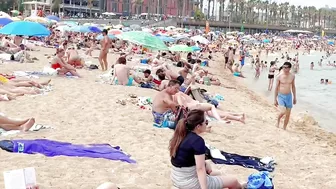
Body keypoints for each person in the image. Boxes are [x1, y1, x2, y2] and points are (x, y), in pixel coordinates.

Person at [169, 109, 244, 189]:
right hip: (189, 182)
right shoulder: (197, 141)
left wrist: (206, 164)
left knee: (216, 172)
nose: (207, 125)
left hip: (176, 178)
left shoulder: (181, 135)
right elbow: (200, 169)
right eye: (206, 122)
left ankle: (240, 185)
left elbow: (189, 160)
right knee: (233, 181)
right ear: (198, 126)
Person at [274, 62, 296, 130]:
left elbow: (293, 87)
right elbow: (276, 87)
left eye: (286, 67)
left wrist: (295, 97)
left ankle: (284, 127)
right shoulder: (279, 76)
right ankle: (278, 120)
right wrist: (275, 99)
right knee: (283, 111)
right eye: (283, 67)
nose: (284, 68)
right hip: (281, 96)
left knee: (288, 114)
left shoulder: (292, 76)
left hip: (289, 96)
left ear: (289, 68)